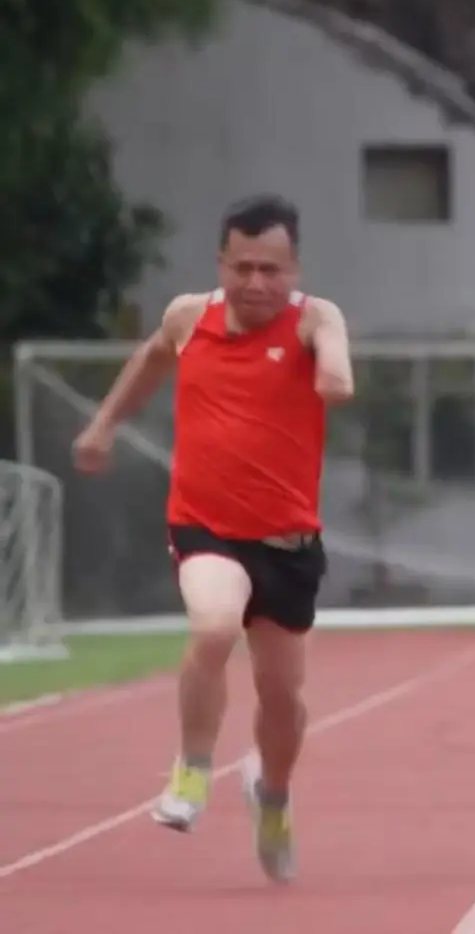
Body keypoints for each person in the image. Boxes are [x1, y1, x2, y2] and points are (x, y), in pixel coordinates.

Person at [73, 195, 352, 885]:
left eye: (272, 269)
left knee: (282, 700)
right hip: (205, 525)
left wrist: (332, 373)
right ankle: (192, 770)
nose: (257, 284)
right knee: (213, 624)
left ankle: (273, 796)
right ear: (221, 263)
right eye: (243, 267)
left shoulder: (315, 317)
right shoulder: (186, 316)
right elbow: (149, 360)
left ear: (295, 268)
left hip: (286, 541)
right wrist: (104, 424)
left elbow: (339, 364)